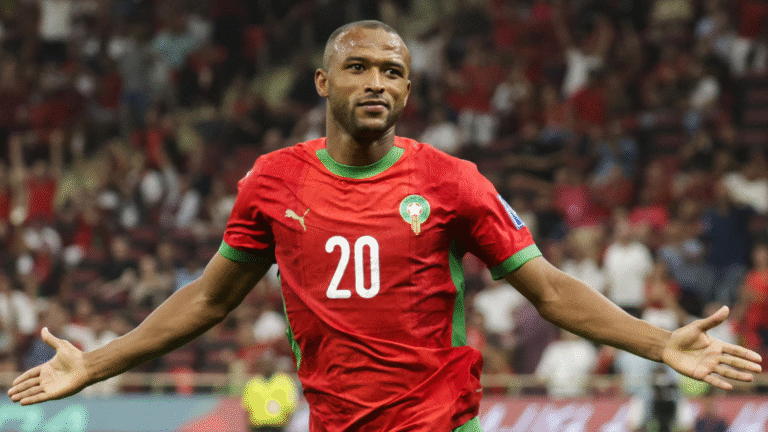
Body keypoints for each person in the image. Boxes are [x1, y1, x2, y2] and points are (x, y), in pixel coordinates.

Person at [7, 20, 763, 432]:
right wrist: (96, 364)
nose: (378, 82)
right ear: (323, 82)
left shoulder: (451, 181)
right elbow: (208, 301)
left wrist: (659, 343)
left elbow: (553, 291)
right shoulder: (272, 181)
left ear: (408, 89)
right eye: (361, 67)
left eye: (394, 72)